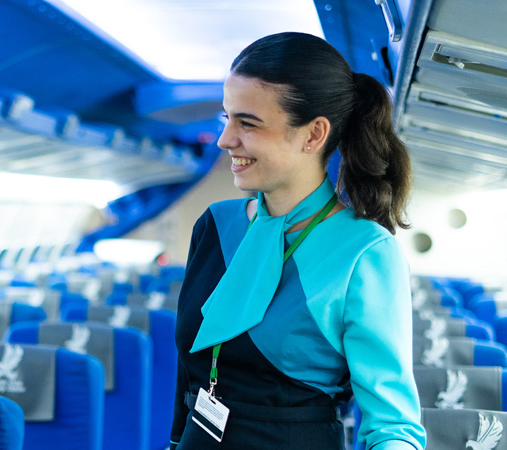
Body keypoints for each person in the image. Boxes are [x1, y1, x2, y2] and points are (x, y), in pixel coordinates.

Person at [171, 32, 426, 450]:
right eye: (226, 118)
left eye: (247, 123)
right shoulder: (215, 225)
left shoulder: (364, 250)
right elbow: (188, 378)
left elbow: (392, 425)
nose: (224, 139)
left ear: (313, 135)